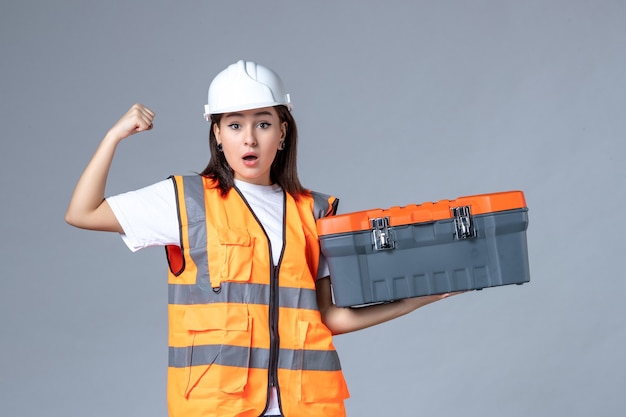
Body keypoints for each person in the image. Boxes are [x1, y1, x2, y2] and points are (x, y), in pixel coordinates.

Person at [66, 60, 458, 417]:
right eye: (235, 125)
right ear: (217, 134)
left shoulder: (315, 212)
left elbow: (329, 318)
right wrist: (113, 136)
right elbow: (82, 212)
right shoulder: (186, 201)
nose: (249, 139)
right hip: (219, 407)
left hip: (304, 406)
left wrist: (417, 300)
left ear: (283, 133)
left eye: (263, 123)